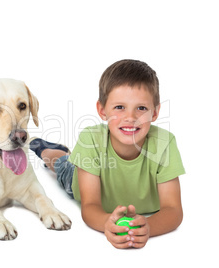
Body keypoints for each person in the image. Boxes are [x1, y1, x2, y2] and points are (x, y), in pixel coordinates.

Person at [29, 59, 185, 249]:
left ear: (155, 112)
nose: (131, 117)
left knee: (70, 159)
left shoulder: (164, 144)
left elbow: (173, 210)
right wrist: (107, 223)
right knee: (61, 163)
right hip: (79, 181)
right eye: (119, 107)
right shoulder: (91, 139)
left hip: (95, 168)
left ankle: (71, 154)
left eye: (141, 108)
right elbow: (90, 206)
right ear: (102, 110)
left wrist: (148, 227)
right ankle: (43, 146)